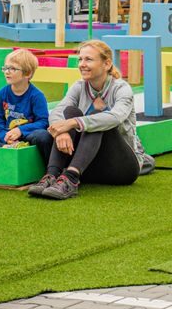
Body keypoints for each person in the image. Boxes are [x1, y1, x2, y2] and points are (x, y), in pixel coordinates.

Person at [29, 40, 154, 200]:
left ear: (107, 64)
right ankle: (51, 175)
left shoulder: (121, 88)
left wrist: (73, 123)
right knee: (70, 111)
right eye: (80, 59)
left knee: (97, 120)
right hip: (90, 164)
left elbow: (115, 117)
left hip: (123, 169)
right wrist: (61, 132)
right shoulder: (79, 86)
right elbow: (58, 111)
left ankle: (71, 178)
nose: (82, 64)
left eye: (88, 59)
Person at [0, 49, 53, 157]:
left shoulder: (37, 96)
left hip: (28, 135)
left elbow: (43, 122)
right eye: (6, 68)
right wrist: (5, 138)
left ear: (28, 73)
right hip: (8, 137)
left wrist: (20, 130)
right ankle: (6, 148)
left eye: (12, 69)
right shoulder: (1, 94)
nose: (7, 72)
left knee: (44, 136)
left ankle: (32, 155)